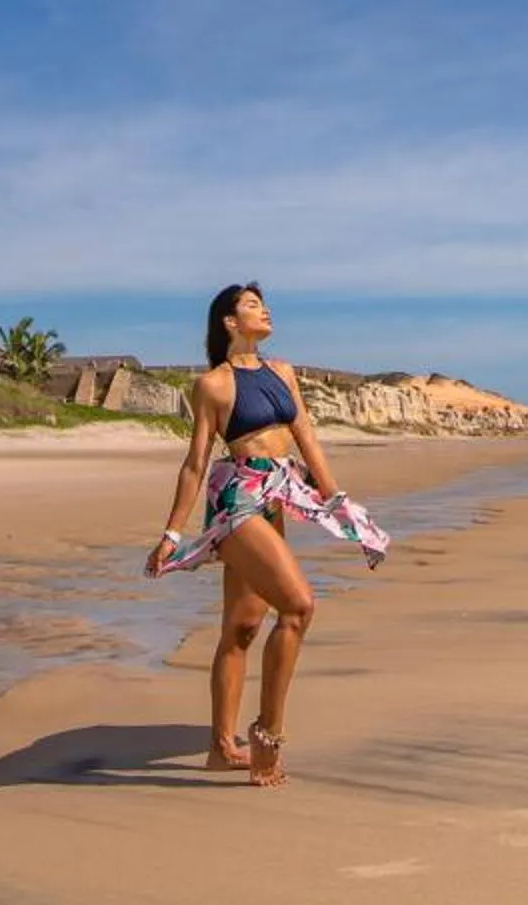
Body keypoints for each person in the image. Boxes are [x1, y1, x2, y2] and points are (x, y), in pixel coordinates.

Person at [145, 282, 390, 786]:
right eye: (252, 305)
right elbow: (194, 464)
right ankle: (266, 734)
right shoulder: (213, 385)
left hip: (279, 494)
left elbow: (307, 438)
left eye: (263, 303)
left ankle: (219, 748)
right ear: (229, 322)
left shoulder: (283, 373)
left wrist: (338, 501)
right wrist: (172, 532)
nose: (265, 310)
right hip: (238, 500)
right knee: (299, 606)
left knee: (243, 626)